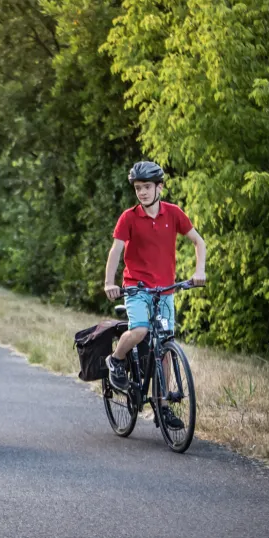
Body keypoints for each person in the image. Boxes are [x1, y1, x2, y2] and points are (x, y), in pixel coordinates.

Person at [103, 161, 207, 429]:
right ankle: (115, 359)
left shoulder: (173, 214)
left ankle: (163, 406)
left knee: (166, 348)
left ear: (159, 187)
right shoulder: (128, 217)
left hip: (166, 291)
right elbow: (116, 251)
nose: (143, 192)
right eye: (138, 188)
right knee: (139, 330)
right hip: (136, 288)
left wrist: (199, 271)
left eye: (147, 187)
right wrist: (109, 282)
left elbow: (198, 242)